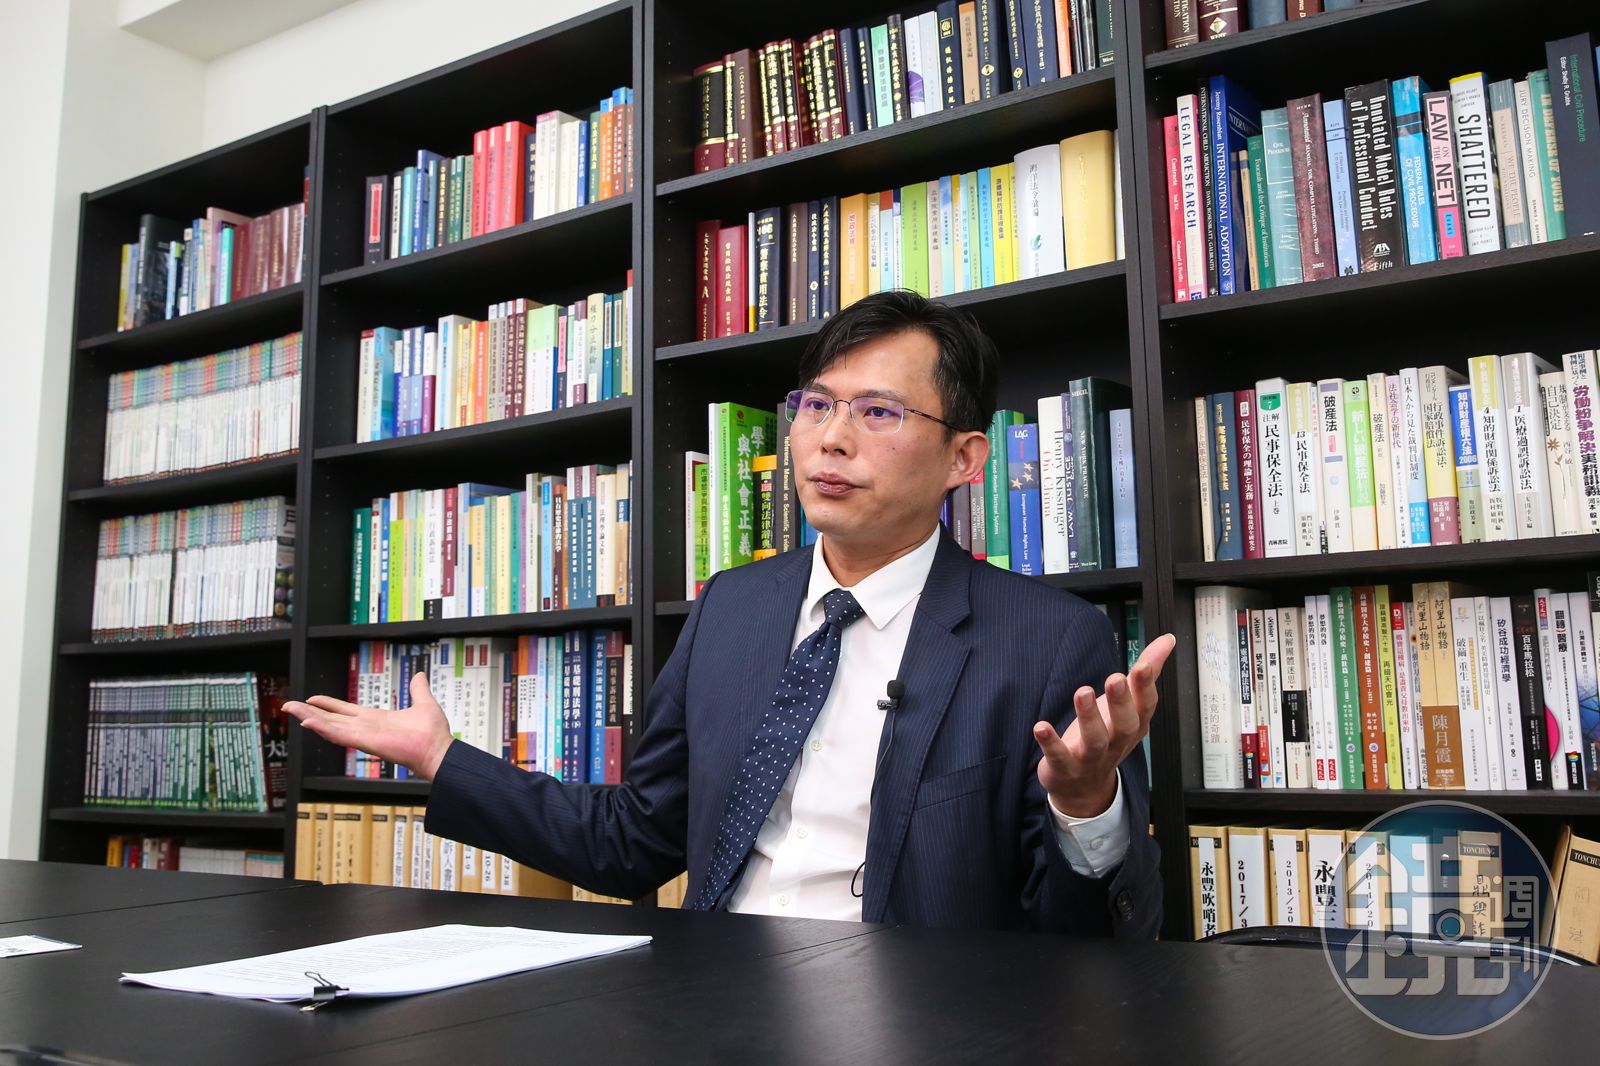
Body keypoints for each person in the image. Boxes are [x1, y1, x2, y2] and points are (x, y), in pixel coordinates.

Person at [285, 289, 1175, 936]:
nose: (831, 438)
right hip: (711, 1004)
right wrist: (443, 760)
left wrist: (1086, 807)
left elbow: (1086, 939)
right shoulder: (733, 608)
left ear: (964, 458)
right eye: (816, 405)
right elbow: (632, 843)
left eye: (878, 412)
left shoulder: (1048, 640)